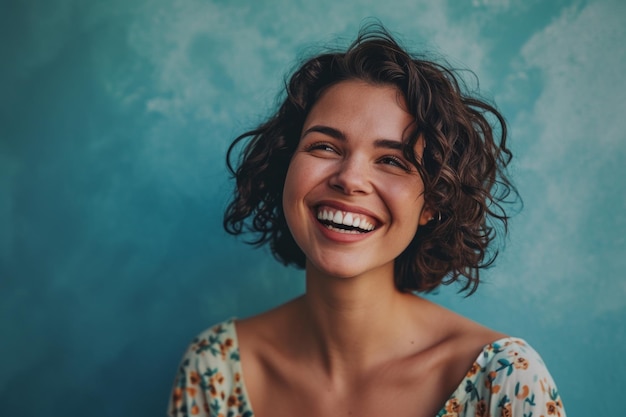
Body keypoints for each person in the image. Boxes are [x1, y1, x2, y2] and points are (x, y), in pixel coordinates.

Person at [168, 25, 566, 417]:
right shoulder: (214, 368)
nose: (349, 179)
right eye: (324, 146)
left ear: (434, 203)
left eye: (393, 160)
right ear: (284, 166)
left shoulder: (505, 380)